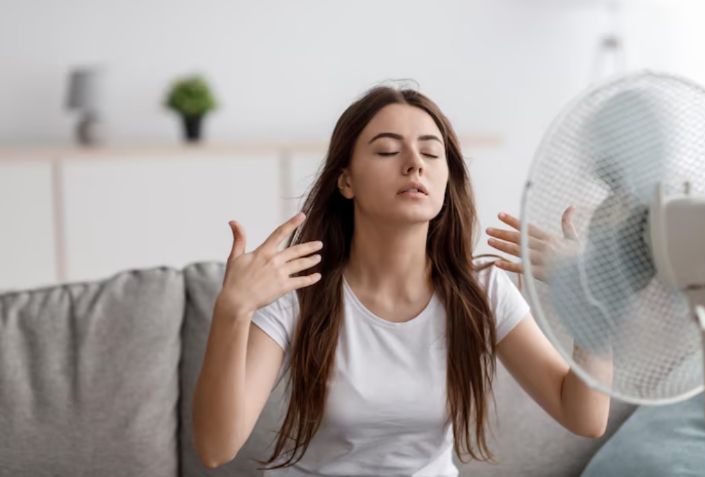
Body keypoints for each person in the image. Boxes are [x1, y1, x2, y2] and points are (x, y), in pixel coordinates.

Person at [191, 85, 611, 476]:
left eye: (431, 154)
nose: (414, 164)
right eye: (388, 150)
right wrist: (233, 310)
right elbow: (216, 447)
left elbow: (584, 416)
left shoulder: (482, 292)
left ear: (447, 181)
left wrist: (595, 297)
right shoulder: (302, 293)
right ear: (346, 181)